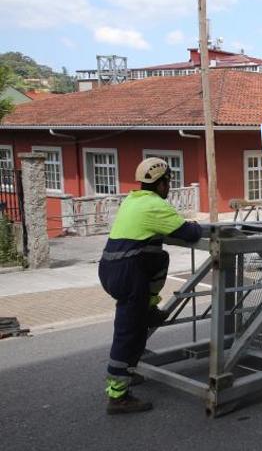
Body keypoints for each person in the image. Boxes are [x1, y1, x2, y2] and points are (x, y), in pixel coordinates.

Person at [99, 158, 202, 414]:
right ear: (161, 183)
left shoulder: (133, 199)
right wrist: (198, 226)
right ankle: (118, 395)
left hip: (112, 268)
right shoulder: (156, 206)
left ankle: (148, 310)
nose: (169, 187)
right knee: (128, 331)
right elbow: (189, 233)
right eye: (168, 182)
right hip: (128, 272)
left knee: (159, 256)